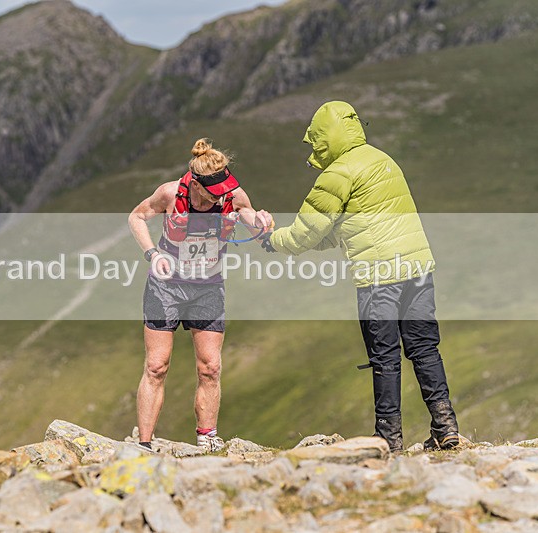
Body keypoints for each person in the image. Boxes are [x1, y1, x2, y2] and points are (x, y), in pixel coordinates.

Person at [261, 101, 460, 453]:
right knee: (425, 347)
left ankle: (388, 438)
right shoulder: (383, 160)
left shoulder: (338, 173)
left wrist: (272, 241)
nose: (314, 149)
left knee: (384, 356)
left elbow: (307, 231)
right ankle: (446, 428)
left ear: (326, 137)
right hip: (416, 269)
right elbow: (340, 231)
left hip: (379, 276)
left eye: (315, 141)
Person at [128, 138, 273, 452]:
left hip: (207, 288)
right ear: (196, 183)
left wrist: (263, 225)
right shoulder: (170, 193)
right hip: (166, 285)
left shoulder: (232, 195)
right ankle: (143, 444)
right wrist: (152, 254)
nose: (224, 195)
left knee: (210, 366)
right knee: (157, 365)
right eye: (216, 191)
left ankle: (207, 438)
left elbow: (250, 219)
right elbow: (136, 217)